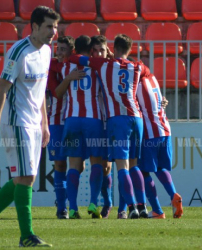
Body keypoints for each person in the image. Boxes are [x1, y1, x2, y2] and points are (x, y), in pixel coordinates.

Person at [0, 6, 60, 247]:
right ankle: (26, 236)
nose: (53, 31)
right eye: (49, 26)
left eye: (55, 26)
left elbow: (41, 90)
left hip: (34, 123)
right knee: (26, 177)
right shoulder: (19, 51)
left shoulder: (47, 52)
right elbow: (2, 87)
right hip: (16, 122)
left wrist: (44, 123)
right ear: (34, 26)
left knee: (25, 178)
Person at [68, 34, 150, 219]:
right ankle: (142, 205)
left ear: (112, 48)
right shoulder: (137, 66)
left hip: (117, 119)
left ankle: (130, 208)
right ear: (130, 49)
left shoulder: (103, 65)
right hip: (136, 118)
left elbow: (74, 58)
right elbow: (149, 75)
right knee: (135, 166)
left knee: (122, 167)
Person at [56, 35, 105, 219]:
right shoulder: (98, 67)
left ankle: (74, 208)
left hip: (72, 120)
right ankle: (93, 202)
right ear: (91, 49)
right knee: (96, 163)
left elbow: (59, 93)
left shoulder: (67, 67)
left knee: (74, 166)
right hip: (93, 120)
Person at [46, 35, 86, 219]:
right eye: (58, 48)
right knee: (60, 163)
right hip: (56, 121)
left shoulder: (77, 64)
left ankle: (70, 202)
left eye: (63, 49)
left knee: (79, 166)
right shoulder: (53, 66)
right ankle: (62, 207)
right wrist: (69, 78)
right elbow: (56, 93)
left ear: (71, 51)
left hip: (75, 119)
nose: (59, 52)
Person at [136, 74, 183, 219]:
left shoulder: (134, 84)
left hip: (149, 133)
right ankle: (173, 194)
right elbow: (161, 100)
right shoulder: (152, 79)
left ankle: (157, 210)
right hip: (165, 129)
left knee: (144, 172)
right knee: (160, 168)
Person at [89, 35, 113, 219]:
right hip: (95, 121)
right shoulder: (88, 67)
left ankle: (109, 200)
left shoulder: (114, 67)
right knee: (96, 164)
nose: (98, 53)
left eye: (101, 50)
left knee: (107, 167)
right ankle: (97, 202)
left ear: (107, 51)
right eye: (95, 50)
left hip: (111, 121)